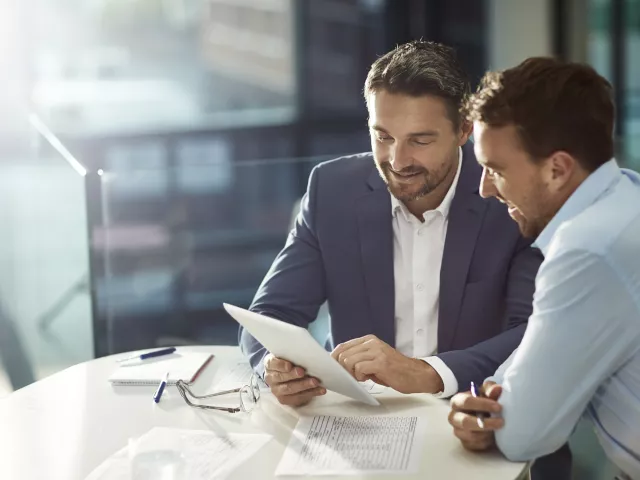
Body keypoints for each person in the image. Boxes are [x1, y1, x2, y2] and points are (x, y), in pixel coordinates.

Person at [447, 57, 640, 479]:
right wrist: (496, 397)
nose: (484, 189)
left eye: (495, 170)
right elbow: (528, 360)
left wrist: (493, 415)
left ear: (557, 169)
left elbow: (521, 435)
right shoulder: (625, 194)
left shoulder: (588, 249)